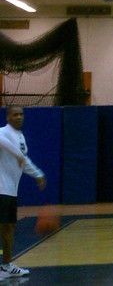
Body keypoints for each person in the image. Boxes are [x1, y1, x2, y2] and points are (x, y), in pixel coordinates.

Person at [0, 106, 45, 279]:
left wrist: (37, 174)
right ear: (8, 117)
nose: (19, 117)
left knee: (9, 227)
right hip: (1, 189)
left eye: (21, 114)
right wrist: (18, 154)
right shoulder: (3, 132)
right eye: (15, 114)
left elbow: (23, 160)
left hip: (11, 190)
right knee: (5, 227)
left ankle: (6, 266)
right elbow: (15, 152)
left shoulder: (21, 137)